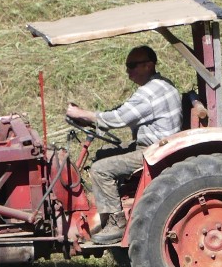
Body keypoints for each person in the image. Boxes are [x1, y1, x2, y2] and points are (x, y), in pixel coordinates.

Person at [66, 45, 181, 244]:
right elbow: (123, 111)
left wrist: (81, 114)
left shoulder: (150, 92)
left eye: (132, 65)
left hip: (156, 151)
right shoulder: (156, 86)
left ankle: (116, 223)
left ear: (148, 65)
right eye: (127, 66)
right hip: (156, 145)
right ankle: (106, 212)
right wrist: (93, 119)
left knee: (100, 169)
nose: (128, 71)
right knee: (103, 154)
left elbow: (119, 118)